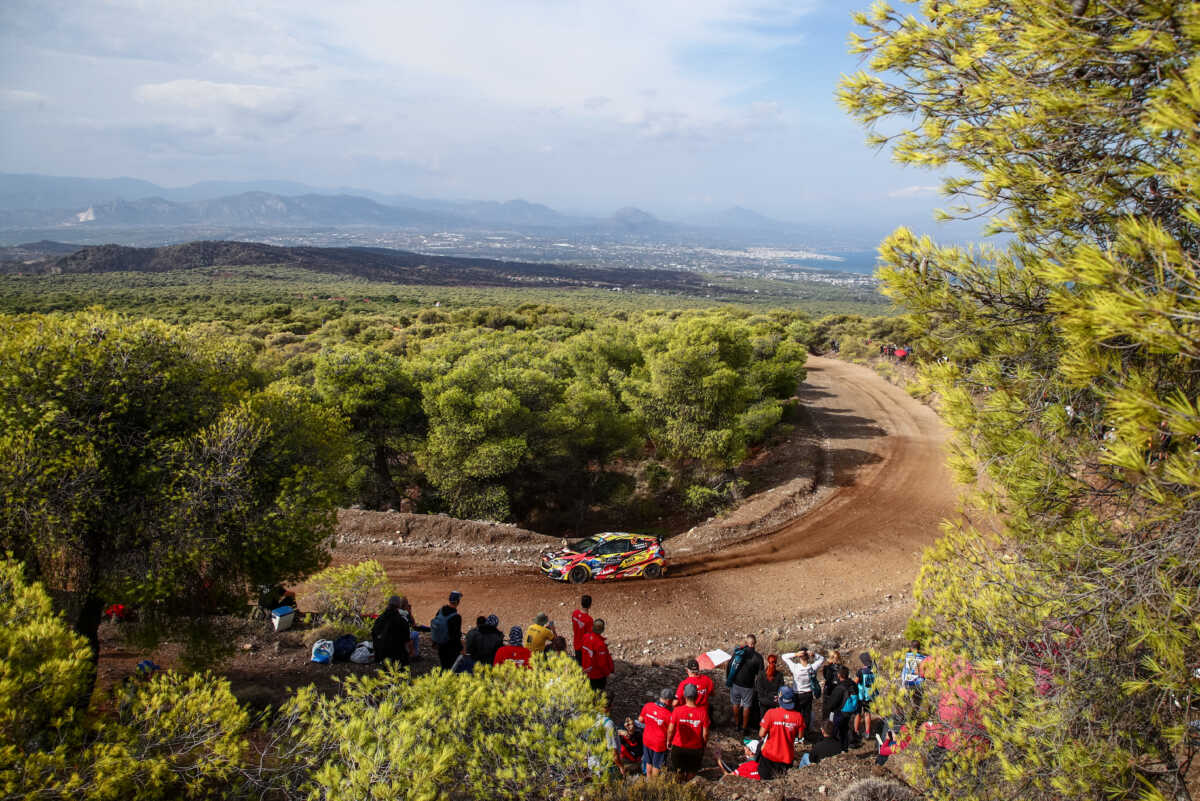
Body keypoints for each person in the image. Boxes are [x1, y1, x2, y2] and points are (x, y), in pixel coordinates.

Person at [756, 686, 805, 779]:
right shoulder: (798, 717)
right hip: (786, 757)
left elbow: (761, 734)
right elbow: (800, 736)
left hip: (769, 755)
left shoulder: (771, 713)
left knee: (764, 779)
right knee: (782, 779)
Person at [666, 683, 709, 780]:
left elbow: (670, 729)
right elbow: (705, 734)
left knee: (678, 771)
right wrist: (704, 744)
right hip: (695, 747)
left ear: (684, 696)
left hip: (679, 746)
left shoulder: (677, 710)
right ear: (697, 696)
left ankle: (680, 789)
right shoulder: (703, 712)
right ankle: (688, 787)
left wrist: (668, 741)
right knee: (692, 771)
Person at [728, 634, 765, 735]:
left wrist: (729, 680)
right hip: (748, 686)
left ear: (746, 643)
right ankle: (744, 728)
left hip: (735, 683)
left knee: (735, 704)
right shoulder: (758, 657)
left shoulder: (738, 653)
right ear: (755, 643)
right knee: (747, 706)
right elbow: (761, 675)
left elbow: (730, 665)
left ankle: (736, 725)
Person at [781, 646, 825, 730]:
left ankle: (795, 732)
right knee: (806, 714)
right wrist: (814, 654)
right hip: (808, 694)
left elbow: (784, 656)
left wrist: (795, 654)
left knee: (796, 713)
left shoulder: (795, 667)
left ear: (799, 657)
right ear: (808, 657)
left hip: (797, 693)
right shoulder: (812, 667)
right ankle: (805, 732)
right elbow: (822, 659)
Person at [637, 687, 673, 777]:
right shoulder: (668, 715)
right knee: (657, 765)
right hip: (659, 743)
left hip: (647, 739)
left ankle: (649, 780)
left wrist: (651, 720)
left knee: (648, 762)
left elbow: (640, 720)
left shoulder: (648, 706)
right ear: (668, 701)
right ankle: (654, 785)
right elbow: (670, 731)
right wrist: (669, 742)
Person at [371, 595, 412, 666]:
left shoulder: (379, 619)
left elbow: (374, 635)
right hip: (397, 655)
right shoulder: (402, 621)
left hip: (382, 653)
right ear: (398, 606)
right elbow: (407, 642)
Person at [826, 665, 859, 750]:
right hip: (850, 711)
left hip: (840, 711)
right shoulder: (853, 684)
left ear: (839, 675)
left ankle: (835, 748)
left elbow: (832, 703)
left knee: (835, 730)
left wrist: (829, 708)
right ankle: (845, 746)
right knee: (844, 729)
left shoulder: (840, 687)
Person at [431, 590, 464, 670]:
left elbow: (436, 627)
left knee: (443, 666)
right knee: (451, 668)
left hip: (440, 645)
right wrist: (461, 649)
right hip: (451, 648)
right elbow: (456, 636)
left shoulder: (440, 610)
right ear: (458, 602)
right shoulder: (456, 617)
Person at [590, 697, 621, 778]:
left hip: (592, 764)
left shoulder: (591, 719)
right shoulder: (608, 723)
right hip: (605, 766)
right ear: (609, 707)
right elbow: (613, 751)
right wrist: (621, 766)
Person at [580, 619, 615, 691]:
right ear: (602, 630)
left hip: (587, 671)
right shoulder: (600, 644)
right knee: (598, 693)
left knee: (590, 691)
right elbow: (602, 664)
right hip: (597, 675)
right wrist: (608, 674)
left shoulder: (585, 636)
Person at [755, 653, 786, 724]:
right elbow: (781, 689)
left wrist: (765, 697)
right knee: (773, 720)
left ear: (767, 662)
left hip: (764, 700)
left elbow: (759, 690)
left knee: (764, 719)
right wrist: (775, 697)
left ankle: (763, 733)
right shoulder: (779, 675)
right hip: (774, 701)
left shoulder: (761, 674)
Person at [854, 652, 876, 744]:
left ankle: (856, 731)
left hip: (860, 695)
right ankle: (867, 732)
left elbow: (855, 682)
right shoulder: (874, 670)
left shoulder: (860, 671)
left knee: (858, 714)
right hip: (869, 695)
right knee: (867, 714)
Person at [821, 649, 843, 720]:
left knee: (827, 710)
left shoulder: (827, 668)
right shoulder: (842, 668)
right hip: (838, 689)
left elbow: (826, 677)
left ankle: (826, 726)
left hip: (829, 689)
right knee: (836, 709)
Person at [571, 594, 594, 663]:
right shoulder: (589, 620)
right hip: (583, 647)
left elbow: (573, 626)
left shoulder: (575, 613)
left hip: (576, 643)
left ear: (581, 603)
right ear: (590, 605)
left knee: (578, 662)